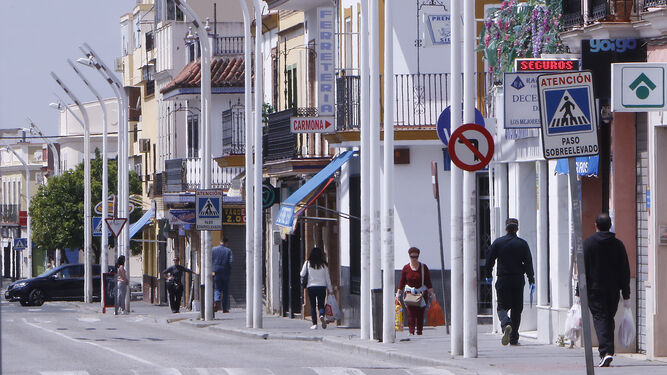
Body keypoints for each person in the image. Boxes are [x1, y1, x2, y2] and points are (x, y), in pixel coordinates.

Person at [582, 213, 631, 368]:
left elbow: (584, 269)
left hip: (594, 290)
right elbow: (625, 270)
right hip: (613, 291)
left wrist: (579, 292)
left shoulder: (588, 244)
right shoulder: (618, 245)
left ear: (595, 225)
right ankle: (607, 351)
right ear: (610, 226)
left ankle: (606, 351)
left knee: (600, 319)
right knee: (608, 319)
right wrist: (626, 293)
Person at [485, 218, 535, 346]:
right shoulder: (522, 244)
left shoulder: (498, 243)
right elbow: (528, 263)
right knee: (517, 309)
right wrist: (531, 279)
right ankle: (513, 338)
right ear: (517, 229)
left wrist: (488, 275)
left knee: (502, 306)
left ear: (506, 228)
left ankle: (506, 323)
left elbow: (489, 260)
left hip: (503, 279)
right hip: (518, 280)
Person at [395, 247, 434, 336]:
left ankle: (419, 331)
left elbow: (428, 282)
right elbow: (402, 282)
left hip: (422, 294)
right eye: (412, 257)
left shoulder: (424, 268)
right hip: (410, 294)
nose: (414, 259)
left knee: (421, 314)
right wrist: (398, 294)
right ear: (409, 256)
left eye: (416, 257)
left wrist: (433, 294)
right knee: (411, 314)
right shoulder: (406, 268)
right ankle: (411, 332)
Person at [299, 247, 333, 329]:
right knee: (321, 304)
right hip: (322, 286)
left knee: (313, 305)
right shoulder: (324, 265)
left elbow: (302, 274)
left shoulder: (308, 263)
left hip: (311, 287)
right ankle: (321, 315)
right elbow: (327, 278)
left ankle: (314, 324)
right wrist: (330, 289)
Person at [212, 237, 233, 313]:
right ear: (226, 243)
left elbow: (209, 259)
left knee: (217, 288)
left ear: (220, 241)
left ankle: (216, 301)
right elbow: (231, 261)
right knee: (225, 291)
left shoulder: (213, 250)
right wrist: (229, 270)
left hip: (216, 272)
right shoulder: (228, 251)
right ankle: (224, 308)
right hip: (225, 272)